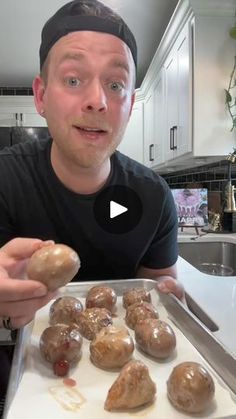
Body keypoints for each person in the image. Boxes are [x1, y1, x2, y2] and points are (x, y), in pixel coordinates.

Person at [0, 0, 183, 333]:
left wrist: (167, 296)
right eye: (73, 80)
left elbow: (159, 283)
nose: (97, 101)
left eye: (115, 85)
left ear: (129, 107)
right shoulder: (5, 181)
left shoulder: (155, 198)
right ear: (41, 97)